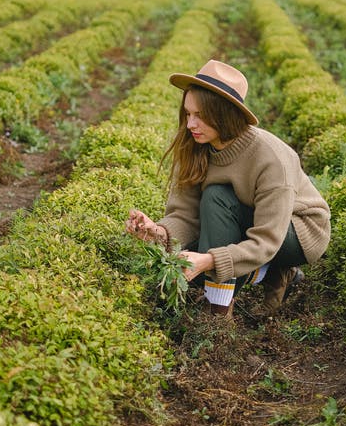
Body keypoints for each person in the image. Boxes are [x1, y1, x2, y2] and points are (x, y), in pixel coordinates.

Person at [125, 59, 331, 319]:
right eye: (188, 114)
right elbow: (186, 215)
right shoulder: (195, 146)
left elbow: (267, 239)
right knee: (187, 256)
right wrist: (156, 231)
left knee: (214, 208)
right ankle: (269, 274)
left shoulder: (270, 158)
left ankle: (219, 316)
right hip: (244, 220)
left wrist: (210, 261)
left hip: (294, 232)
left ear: (224, 114)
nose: (190, 125)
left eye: (200, 116)